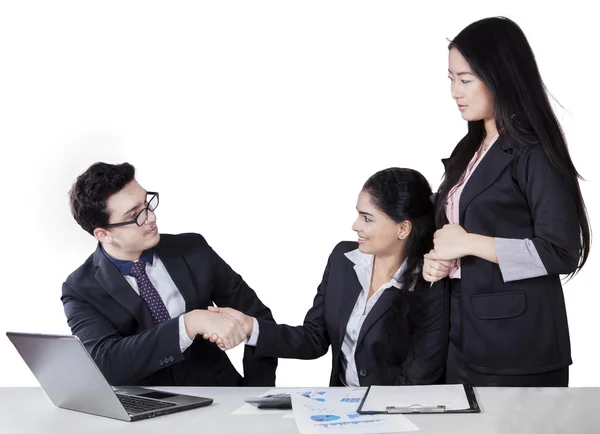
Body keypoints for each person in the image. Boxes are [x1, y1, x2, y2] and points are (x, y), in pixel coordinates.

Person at [423, 16, 591, 387]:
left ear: (501, 76)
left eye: (465, 80)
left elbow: (561, 250)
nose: (455, 91)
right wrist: (439, 261)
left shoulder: (533, 151)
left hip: (516, 345)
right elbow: (456, 232)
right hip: (459, 331)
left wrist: (470, 243)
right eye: (450, 79)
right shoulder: (469, 149)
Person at [209, 168, 447, 386]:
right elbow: (314, 338)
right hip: (339, 409)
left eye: (367, 218)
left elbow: (417, 381)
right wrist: (250, 327)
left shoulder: (430, 286)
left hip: (397, 417)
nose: (355, 226)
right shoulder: (343, 259)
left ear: (403, 229)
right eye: (358, 215)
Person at [62, 162, 277, 387]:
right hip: (146, 408)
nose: (151, 218)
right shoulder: (80, 288)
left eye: (147, 204)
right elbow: (107, 365)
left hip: (221, 396)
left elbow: (258, 319)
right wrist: (188, 324)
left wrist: (256, 392)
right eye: (136, 215)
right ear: (104, 234)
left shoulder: (194, 249)